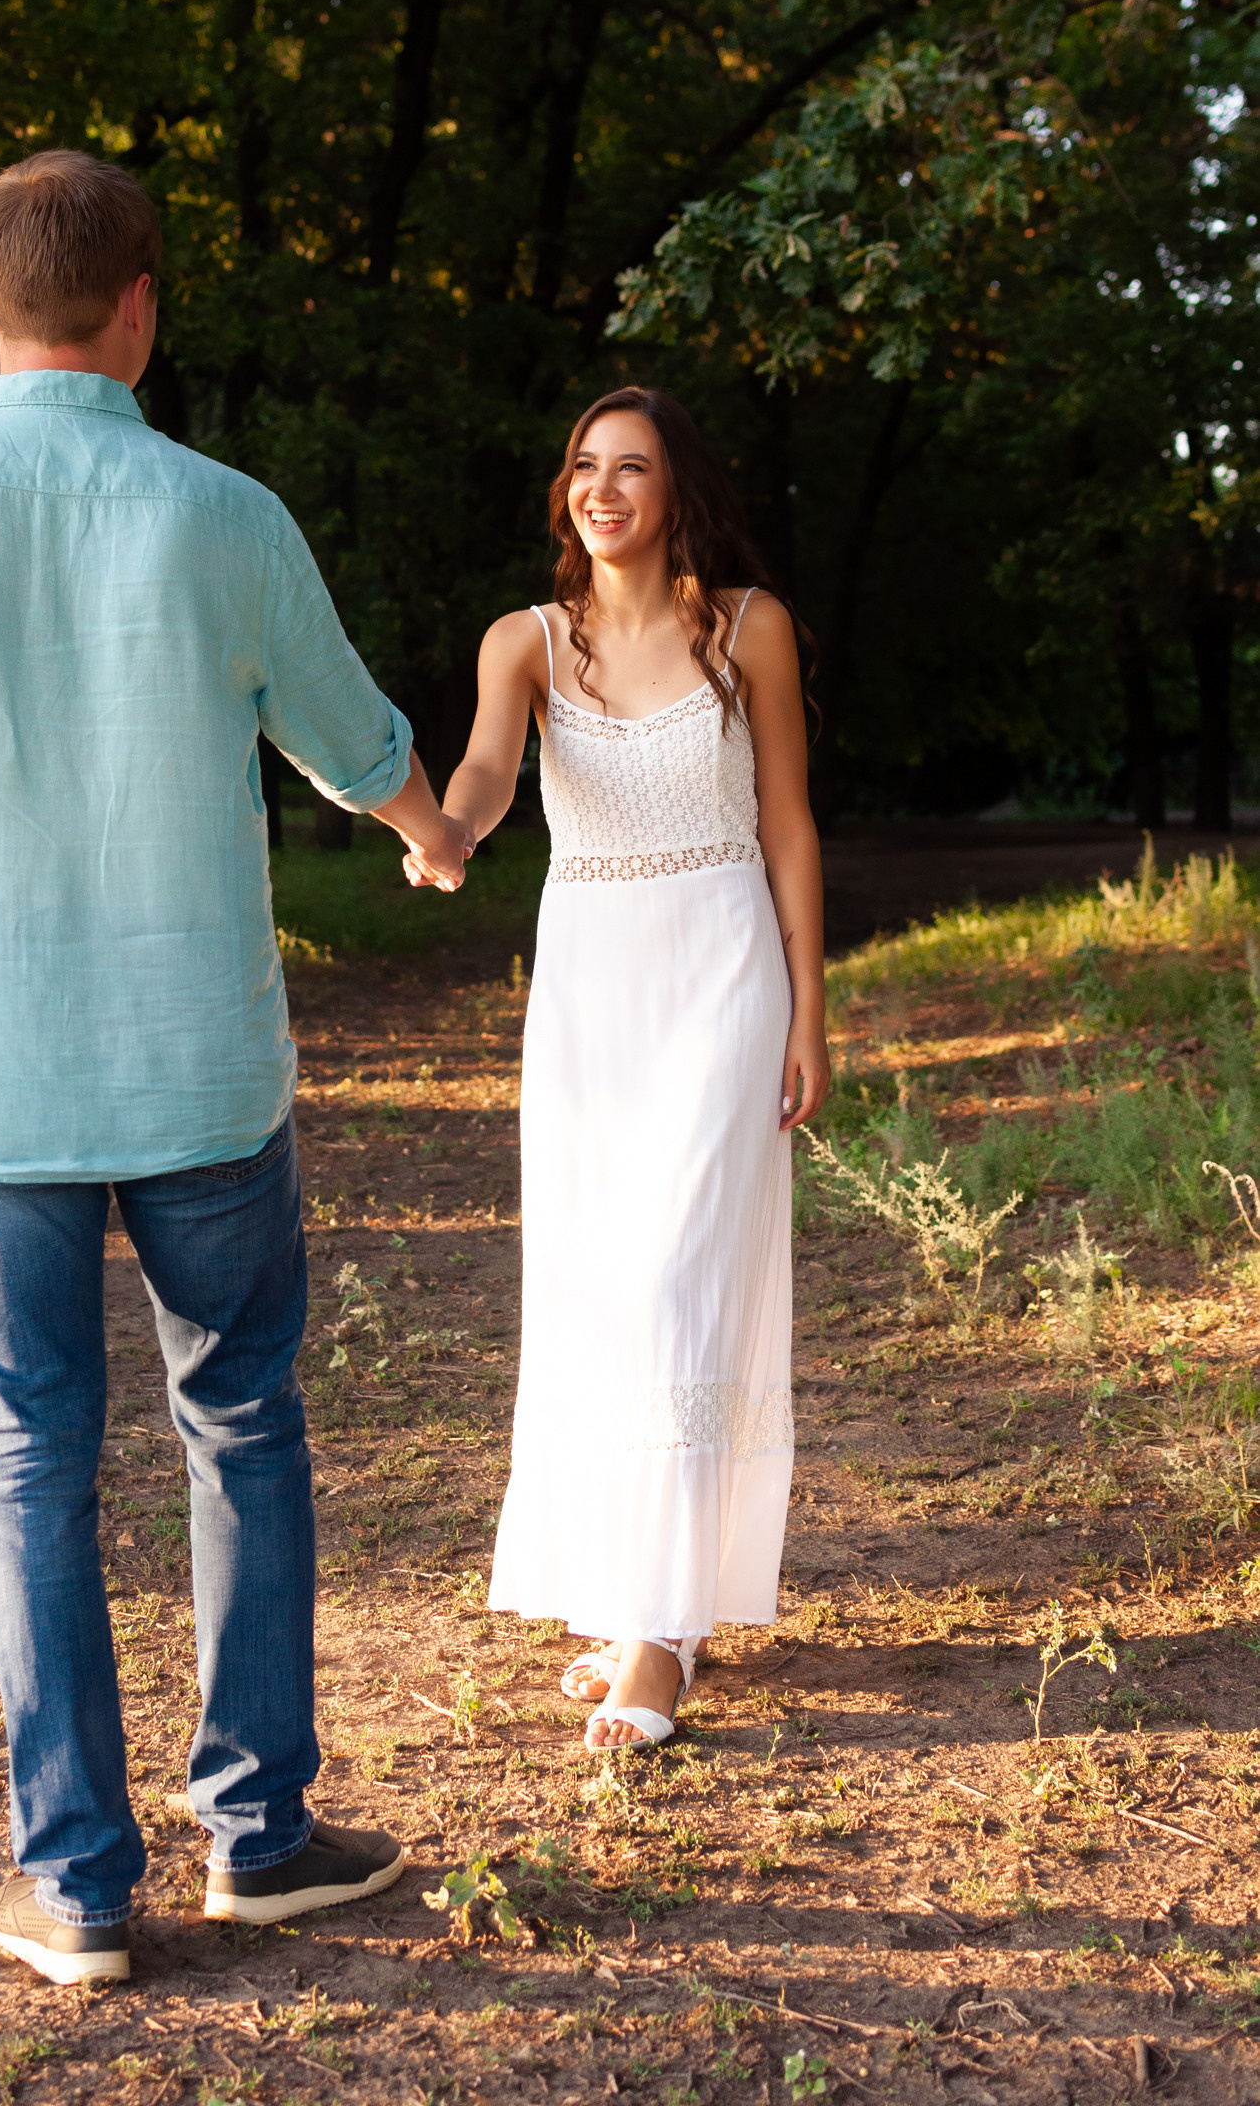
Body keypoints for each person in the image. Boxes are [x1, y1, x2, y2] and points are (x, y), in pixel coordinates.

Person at [0, 150, 469, 1983]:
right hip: (199, 1072)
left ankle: (73, 1880)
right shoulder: (224, 515)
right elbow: (349, 740)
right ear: (139, 305)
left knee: (27, 1455)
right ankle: (262, 1834)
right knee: (243, 1424)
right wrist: (435, 833)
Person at [410, 387, 827, 1749]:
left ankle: (658, 1639)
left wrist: (810, 1011)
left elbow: (786, 824)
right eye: (583, 464)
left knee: (677, 1281)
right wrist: (448, 833)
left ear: (674, 488)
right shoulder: (523, 642)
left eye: (630, 466)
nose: (601, 487)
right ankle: (644, 1594)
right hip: (589, 989)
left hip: (723, 974)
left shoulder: (750, 629)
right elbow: (483, 771)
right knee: (601, 1289)